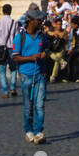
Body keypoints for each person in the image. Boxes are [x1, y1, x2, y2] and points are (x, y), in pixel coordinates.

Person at [11, 14, 48, 144]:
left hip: (40, 75)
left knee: (40, 105)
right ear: (31, 21)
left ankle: (38, 131)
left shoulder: (42, 36)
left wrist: (44, 54)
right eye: (39, 20)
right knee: (28, 106)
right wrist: (31, 58)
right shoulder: (19, 37)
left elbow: (46, 50)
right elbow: (15, 57)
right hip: (25, 75)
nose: (41, 22)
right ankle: (29, 130)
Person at [0, 2, 19, 98]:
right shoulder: (14, 22)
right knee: (13, 68)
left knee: (2, 71)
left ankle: (5, 91)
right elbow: (17, 37)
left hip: (1, 47)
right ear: (10, 11)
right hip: (11, 48)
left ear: (3, 11)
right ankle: (13, 87)